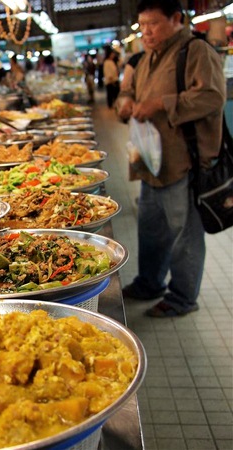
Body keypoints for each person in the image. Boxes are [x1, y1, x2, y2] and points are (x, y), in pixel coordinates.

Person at [116, 0, 226, 317]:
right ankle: (149, 283)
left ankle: (182, 298)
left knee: (183, 234)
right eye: (142, 25)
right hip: (151, 162)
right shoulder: (149, 57)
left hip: (182, 162)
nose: (146, 32)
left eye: (152, 23)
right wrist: (126, 102)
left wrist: (161, 104)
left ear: (176, 18)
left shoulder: (195, 51)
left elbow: (212, 97)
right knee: (151, 228)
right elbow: (130, 92)